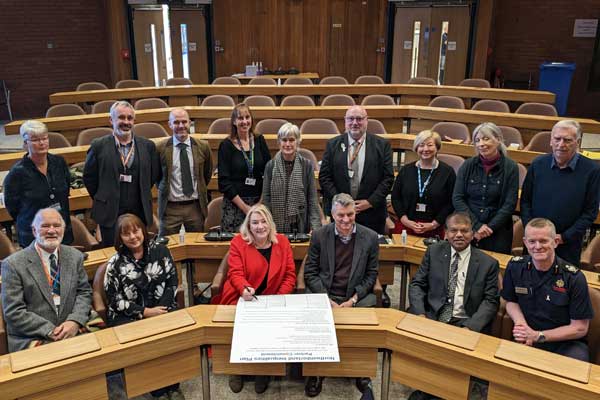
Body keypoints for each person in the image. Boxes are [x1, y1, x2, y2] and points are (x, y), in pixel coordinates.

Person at [407, 211, 499, 400]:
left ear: (473, 234)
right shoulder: (433, 252)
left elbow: (491, 301)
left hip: (465, 321)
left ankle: (438, 392)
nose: (459, 235)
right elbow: (417, 284)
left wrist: (470, 327)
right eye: (454, 230)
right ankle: (429, 388)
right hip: (434, 317)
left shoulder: (488, 264)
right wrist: (420, 315)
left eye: (464, 231)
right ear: (446, 233)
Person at [213, 204, 296, 394]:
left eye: (263, 221)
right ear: (248, 226)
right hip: (241, 297)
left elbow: (290, 276)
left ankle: (262, 371)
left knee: (270, 325)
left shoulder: (282, 242)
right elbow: (235, 272)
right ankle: (237, 370)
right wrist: (243, 289)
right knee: (241, 324)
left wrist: (278, 298)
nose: (260, 226)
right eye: (255, 222)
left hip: (271, 298)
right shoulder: (238, 243)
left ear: (270, 223)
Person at [303, 193, 379, 397]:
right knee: (313, 316)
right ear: (332, 215)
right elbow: (310, 272)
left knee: (368, 315)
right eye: (341, 215)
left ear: (355, 212)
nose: (346, 220)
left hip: (354, 295)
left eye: (350, 214)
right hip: (325, 294)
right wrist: (326, 299)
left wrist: (353, 300)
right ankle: (316, 372)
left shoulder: (370, 237)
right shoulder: (319, 235)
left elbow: (372, 275)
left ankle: (360, 371)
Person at [103, 213, 183, 399]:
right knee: (144, 343)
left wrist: (161, 309)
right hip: (128, 315)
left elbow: (172, 281)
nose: (133, 237)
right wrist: (144, 312)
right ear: (119, 238)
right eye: (126, 234)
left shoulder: (161, 251)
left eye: (136, 230)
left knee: (178, 333)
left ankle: (173, 383)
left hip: (162, 309)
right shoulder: (115, 263)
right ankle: (154, 387)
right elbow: (113, 299)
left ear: (143, 231)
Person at [502, 218, 593, 361]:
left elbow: (580, 328)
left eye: (543, 241)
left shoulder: (574, 277)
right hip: (528, 334)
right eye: (532, 241)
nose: (537, 246)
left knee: (575, 368)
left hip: (565, 342)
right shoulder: (515, 267)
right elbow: (511, 302)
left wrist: (538, 336)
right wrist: (522, 326)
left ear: (555, 242)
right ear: (525, 242)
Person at [1, 208, 92, 353]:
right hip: (32, 334)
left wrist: (74, 321)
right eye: (45, 226)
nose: (51, 231)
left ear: (63, 230)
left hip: (71, 324)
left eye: (56, 226)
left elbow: (84, 293)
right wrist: (50, 331)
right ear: (34, 231)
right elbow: (13, 312)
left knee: (101, 348)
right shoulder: (12, 265)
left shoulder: (75, 256)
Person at [520, 120, 600, 266]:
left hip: (567, 245)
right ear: (551, 140)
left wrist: (563, 237)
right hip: (535, 244)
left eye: (567, 140)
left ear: (578, 142)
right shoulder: (538, 164)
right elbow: (525, 202)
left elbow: (590, 212)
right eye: (557, 139)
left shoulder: (592, 170)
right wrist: (532, 233)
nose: (561, 144)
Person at [83, 100, 161, 247]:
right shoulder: (98, 145)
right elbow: (89, 178)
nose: (126, 122)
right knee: (113, 253)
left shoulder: (147, 146)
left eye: (129, 118)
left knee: (138, 251)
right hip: (109, 212)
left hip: (139, 209)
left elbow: (152, 175)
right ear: (111, 120)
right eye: (121, 118)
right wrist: (103, 196)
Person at [319, 105, 394, 235]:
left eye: (359, 119)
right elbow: (324, 177)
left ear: (366, 121)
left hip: (372, 213)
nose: (355, 123)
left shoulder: (382, 145)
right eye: (351, 119)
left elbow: (388, 178)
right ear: (345, 121)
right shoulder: (332, 144)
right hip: (341, 214)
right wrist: (340, 201)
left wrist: (370, 202)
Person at [4, 120, 73, 247]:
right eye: (35, 140)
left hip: (61, 229)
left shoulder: (59, 162)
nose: (42, 143)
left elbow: (65, 191)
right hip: (33, 235)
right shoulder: (17, 173)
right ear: (25, 144)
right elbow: (12, 207)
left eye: (44, 138)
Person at [452, 122, 518, 254]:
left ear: (498, 139)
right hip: (468, 226)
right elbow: (458, 198)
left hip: (498, 230)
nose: (481, 143)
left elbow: (509, 204)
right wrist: (476, 225)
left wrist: (488, 228)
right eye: (477, 140)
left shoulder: (511, 167)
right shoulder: (468, 165)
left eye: (486, 138)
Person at [157, 108, 213, 235]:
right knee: (167, 248)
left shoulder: (203, 147)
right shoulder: (160, 148)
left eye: (184, 122)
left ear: (190, 123)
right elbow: (157, 177)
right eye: (176, 122)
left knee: (196, 246)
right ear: (169, 124)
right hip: (170, 208)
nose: (181, 126)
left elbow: (206, 174)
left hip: (195, 207)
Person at [391, 130, 455, 238]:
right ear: (416, 148)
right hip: (406, 226)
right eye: (421, 145)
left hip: (434, 228)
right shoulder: (406, 170)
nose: (425, 149)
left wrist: (434, 224)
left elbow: (451, 202)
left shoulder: (447, 172)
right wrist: (405, 220)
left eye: (430, 145)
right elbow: (395, 198)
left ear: (437, 147)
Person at [218, 103, 271, 232]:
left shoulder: (260, 140)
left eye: (247, 117)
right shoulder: (226, 145)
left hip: (259, 203)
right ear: (234, 122)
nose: (244, 121)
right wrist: (245, 208)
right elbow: (224, 182)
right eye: (240, 118)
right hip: (235, 205)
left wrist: (260, 203)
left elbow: (269, 173)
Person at [262, 122, 321, 234]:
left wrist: (316, 227)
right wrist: (267, 225)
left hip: (300, 224)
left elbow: (312, 199)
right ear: (279, 142)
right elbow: (266, 199)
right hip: (275, 225)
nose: (288, 144)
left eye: (292, 140)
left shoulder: (307, 165)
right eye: (284, 140)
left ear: (298, 142)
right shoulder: (270, 165)